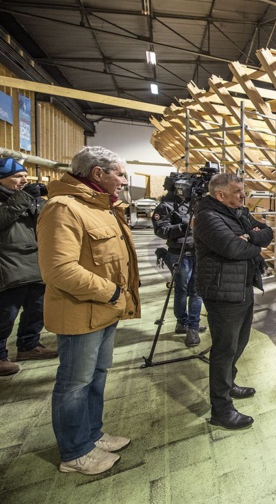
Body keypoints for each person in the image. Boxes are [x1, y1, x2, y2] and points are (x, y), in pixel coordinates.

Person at [38, 146, 139, 474]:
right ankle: (74, 452)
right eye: (120, 174)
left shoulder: (100, 207)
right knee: (73, 384)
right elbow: (59, 270)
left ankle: (91, 435)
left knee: (95, 378)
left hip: (104, 311)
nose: (124, 181)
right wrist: (111, 292)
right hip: (81, 311)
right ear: (98, 173)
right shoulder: (63, 208)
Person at [194, 173, 272, 430]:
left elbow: (267, 232)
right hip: (222, 291)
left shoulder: (237, 212)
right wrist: (254, 244)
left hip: (242, 287)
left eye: (244, 190)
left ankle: (230, 383)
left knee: (239, 343)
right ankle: (221, 409)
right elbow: (232, 248)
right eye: (238, 191)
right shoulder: (208, 216)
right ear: (220, 195)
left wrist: (250, 238)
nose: (243, 195)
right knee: (224, 349)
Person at [0, 157, 57, 376]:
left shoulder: (30, 199)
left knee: (38, 308)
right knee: (6, 314)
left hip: (35, 262)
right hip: (9, 264)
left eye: (25, 176)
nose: (24, 180)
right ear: (3, 179)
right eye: (18, 177)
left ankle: (29, 345)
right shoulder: (13, 199)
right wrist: (24, 197)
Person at [153, 175, 205, 347]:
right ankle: (182, 323)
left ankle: (193, 327)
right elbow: (161, 230)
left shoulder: (196, 205)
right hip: (179, 254)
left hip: (197, 252)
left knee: (196, 291)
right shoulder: (165, 206)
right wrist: (185, 226)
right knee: (182, 290)